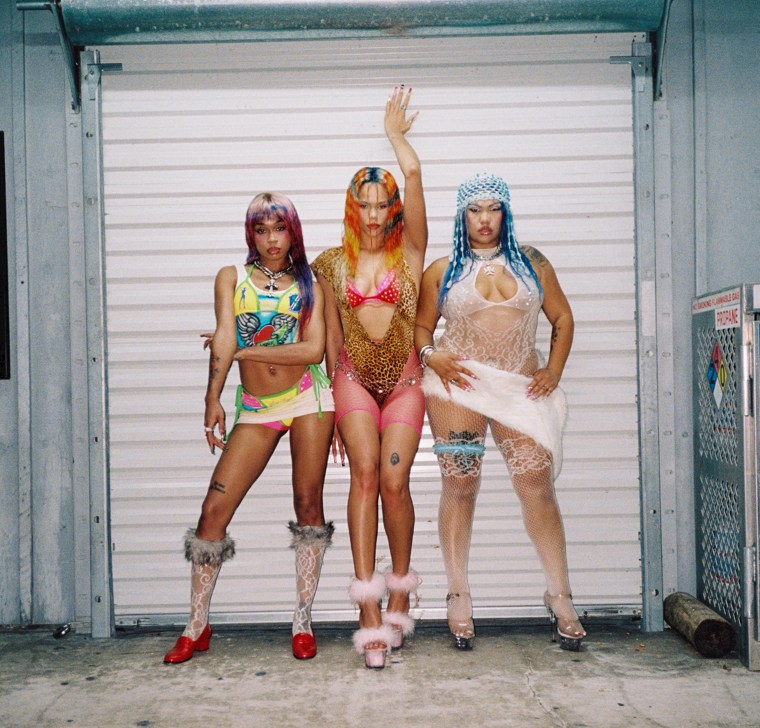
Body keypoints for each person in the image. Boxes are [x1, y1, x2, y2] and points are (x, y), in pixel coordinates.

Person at [414, 172, 586, 652]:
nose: (485, 219)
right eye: (475, 210)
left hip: (519, 385)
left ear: (505, 213)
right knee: (460, 484)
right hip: (460, 386)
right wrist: (431, 356)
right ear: (462, 216)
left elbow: (562, 317)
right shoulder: (442, 269)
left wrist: (553, 369)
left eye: (494, 209)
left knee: (536, 485)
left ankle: (560, 594)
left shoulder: (533, 262)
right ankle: (458, 594)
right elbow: (421, 327)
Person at [163, 192, 335, 664]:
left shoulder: (311, 285)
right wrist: (212, 397)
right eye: (262, 230)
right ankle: (196, 624)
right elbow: (224, 334)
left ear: (293, 232)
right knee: (213, 511)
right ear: (251, 235)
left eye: (280, 229)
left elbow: (312, 351)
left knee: (307, 502)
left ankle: (302, 620)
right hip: (257, 407)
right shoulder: (231, 278)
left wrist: (244, 350)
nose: (272, 239)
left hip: (308, 398)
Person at [312, 86, 427, 669]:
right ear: (352, 209)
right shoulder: (331, 263)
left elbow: (415, 175)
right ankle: (368, 610)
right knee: (362, 476)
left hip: (405, 382)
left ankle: (401, 590)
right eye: (366, 204)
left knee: (394, 483)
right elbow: (321, 329)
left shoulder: (412, 254)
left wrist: (396, 138)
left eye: (384, 204)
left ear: (395, 209)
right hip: (353, 380)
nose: (376, 214)